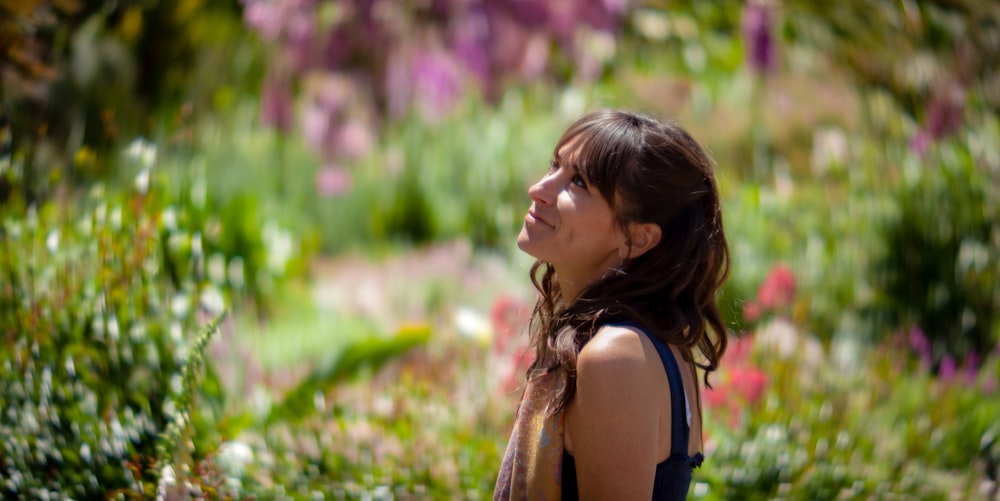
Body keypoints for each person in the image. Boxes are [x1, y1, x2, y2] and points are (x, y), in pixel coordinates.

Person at [494, 110, 730, 500]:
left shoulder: (616, 357)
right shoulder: (646, 342)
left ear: (637, 238)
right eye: (555, 165)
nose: (539, 189)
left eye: (579, 182)